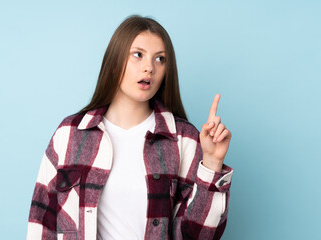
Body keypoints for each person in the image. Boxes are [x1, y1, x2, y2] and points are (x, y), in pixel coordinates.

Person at [27, 15, 233, 240]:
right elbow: (41, 224)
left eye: (160, 59)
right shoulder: (69, 134)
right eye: (138, 55)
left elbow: (200, 236)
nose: (149, 68)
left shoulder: (184, 139)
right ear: (115, 61)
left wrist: (212, 163)